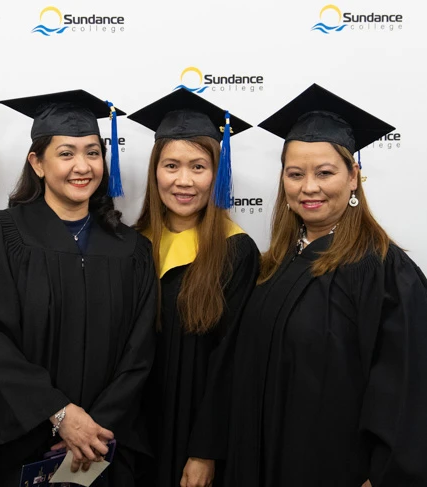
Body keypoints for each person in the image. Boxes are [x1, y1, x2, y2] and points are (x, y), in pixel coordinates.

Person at [223, 84, 427, 486]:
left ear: (353, 177)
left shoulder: (384, 271)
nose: (309, 187)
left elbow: (408, 395)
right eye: (295, 174)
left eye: (326, 173)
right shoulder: (274, 264)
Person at [0, 90, 157, 486]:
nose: (82, 166)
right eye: (66, 153)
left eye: (92, 153)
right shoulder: (3, 234)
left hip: (104, 446)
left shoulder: (131, 249)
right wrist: (60, 414)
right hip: (21, 440)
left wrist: (93, 429)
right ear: (37, 162)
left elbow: (140, 350)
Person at [128, 88, 260, 487]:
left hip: (194, 431)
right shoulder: (132, 246)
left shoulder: (236, 252)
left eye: (199, 167)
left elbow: (231, 363)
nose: (183, 181)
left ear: (217, 174)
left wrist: (205, 451)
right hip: (131, 428)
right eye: (171, 165)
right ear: (155, 172)